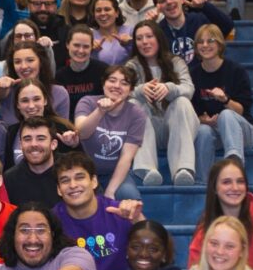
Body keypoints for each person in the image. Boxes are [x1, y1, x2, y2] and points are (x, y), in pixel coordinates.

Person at [53, 151, 146, 270]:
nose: (73, 185)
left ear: (94, 181)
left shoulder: (119, 211)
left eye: (79, 177)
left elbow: (158, 249)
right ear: (59, 190)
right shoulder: (51, 222)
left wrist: (137, 218)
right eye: (65, 180)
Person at [126, 20, 200, 187]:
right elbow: (119, 93)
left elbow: (189, 88)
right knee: (134, 103)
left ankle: (183, 169)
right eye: (139, 38)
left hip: (175, 127)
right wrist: (140, 90)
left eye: (149, 36)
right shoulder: (131, 65)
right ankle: (147, 169)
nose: (144, 42)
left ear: (158, 38)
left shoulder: (176, 62)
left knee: (182, 101)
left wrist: (169, 88)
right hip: (148, 128)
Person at [189, 158, 253, 270]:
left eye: (240, 181)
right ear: (214, 188)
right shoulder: (205, 228)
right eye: (226, 182)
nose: (235, 188)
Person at [190, 23, 253, 180]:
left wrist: (225, 100)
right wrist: (204, 120)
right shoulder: (193, 74)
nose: (205, 45)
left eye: (210, 40)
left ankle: (235, 165)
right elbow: (192, 112)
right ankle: (203, 182)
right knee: (202, 131)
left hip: (242, 131)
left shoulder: (236, 71)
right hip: (214, 132)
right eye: (200, 41)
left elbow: (242, 110)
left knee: (226, 114)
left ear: (219, 44)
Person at [71, 64, 145, 202]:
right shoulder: (87, 102)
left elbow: (126, 157)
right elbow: (81, 133)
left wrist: (110, 192)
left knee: (130, 199)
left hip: (115, 173)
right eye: (112, 80)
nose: (117, 86)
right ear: (103, 84)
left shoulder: (136, 114)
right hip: (84, 171)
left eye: (124, 83)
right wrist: (100, 111)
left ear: (130, 90)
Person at [2, 78, 76, 169]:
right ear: (17, 105)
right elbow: (8, 169)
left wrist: (74, 145)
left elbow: (76, 167)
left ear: (45, 100)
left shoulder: (62, 129)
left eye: (36, 99)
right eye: (25, 100)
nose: (31, 106)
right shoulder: (11, 132)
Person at [154, 0, 234, 64]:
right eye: (162, 1)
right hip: (174, 76)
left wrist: (205, 6)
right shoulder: (158, 32)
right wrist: (150, 24)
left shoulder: (199, 19)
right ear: (158, 7)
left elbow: (227, 26)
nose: (169, 2)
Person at [0, 41, 70, 126]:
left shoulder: (60, 93)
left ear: (40, 62)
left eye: (30, 60)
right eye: (17, 62)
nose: (24, 66)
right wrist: (1, 86)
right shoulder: (7, 92)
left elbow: (63, 130)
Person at [4, 117, 59, 207]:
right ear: (21, 145)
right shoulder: (10, 179)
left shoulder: (69, 172)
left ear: (53, 144)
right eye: (27, 139)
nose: (33, 144)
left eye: (40, 138)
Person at [56, 25, 107, 120]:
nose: (81, 50)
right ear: (67, 44)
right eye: (76, 45)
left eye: (86, 46)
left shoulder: (103, 71)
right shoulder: (58, 76)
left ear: (92, 47)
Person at [92, 0, 133, 65]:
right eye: (98, 10)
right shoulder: (89, 36)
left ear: (117, 13)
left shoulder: (130, 31)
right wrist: (91, 51)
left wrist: (130, 45)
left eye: (107, 9)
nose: (102, 13)